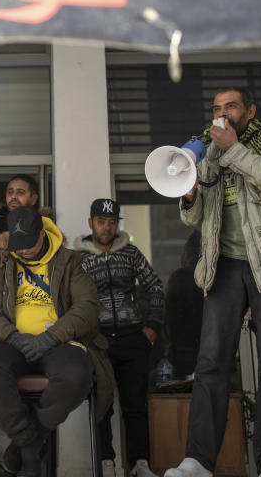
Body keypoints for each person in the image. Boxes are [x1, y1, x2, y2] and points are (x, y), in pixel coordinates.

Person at [165, 87, 261, 477]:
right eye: (216, 107)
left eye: (230, 106)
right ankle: (197, 460)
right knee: (211, 363)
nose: (222, 113)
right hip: (224, 265)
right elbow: (193, 220)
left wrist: (234, 149)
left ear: (249, 110)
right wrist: (191, 194)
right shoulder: (208, 152)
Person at [0, 205, 115, 477]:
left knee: (76, 373)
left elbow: (87, 307)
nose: (23, 251)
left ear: (43, 234)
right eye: (18, 245)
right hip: (11, 342)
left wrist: (50, 337)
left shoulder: (69, 261)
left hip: (58, 342)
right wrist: (11, 335)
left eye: (29, 244)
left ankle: (20, 450)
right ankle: (30, 449)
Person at [73, 198, 164, 477]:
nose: (107, 227)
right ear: (91, 223)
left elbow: (156, 288)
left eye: (112, 222)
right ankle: (106, 463)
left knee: (135, 404)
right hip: (98, 342)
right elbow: (69, 298)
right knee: (102, 404)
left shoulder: (131, 253)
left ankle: (140, 463)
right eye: (101, 222)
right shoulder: (78, 258)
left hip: (133, 338)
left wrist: (152, 326)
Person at [164, 231, 204, 380]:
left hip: (182, 350)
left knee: (181, 395)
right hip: (210, 349)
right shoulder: (215, 277)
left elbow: (169, 316)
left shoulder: (178, 277)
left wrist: (170, 341)